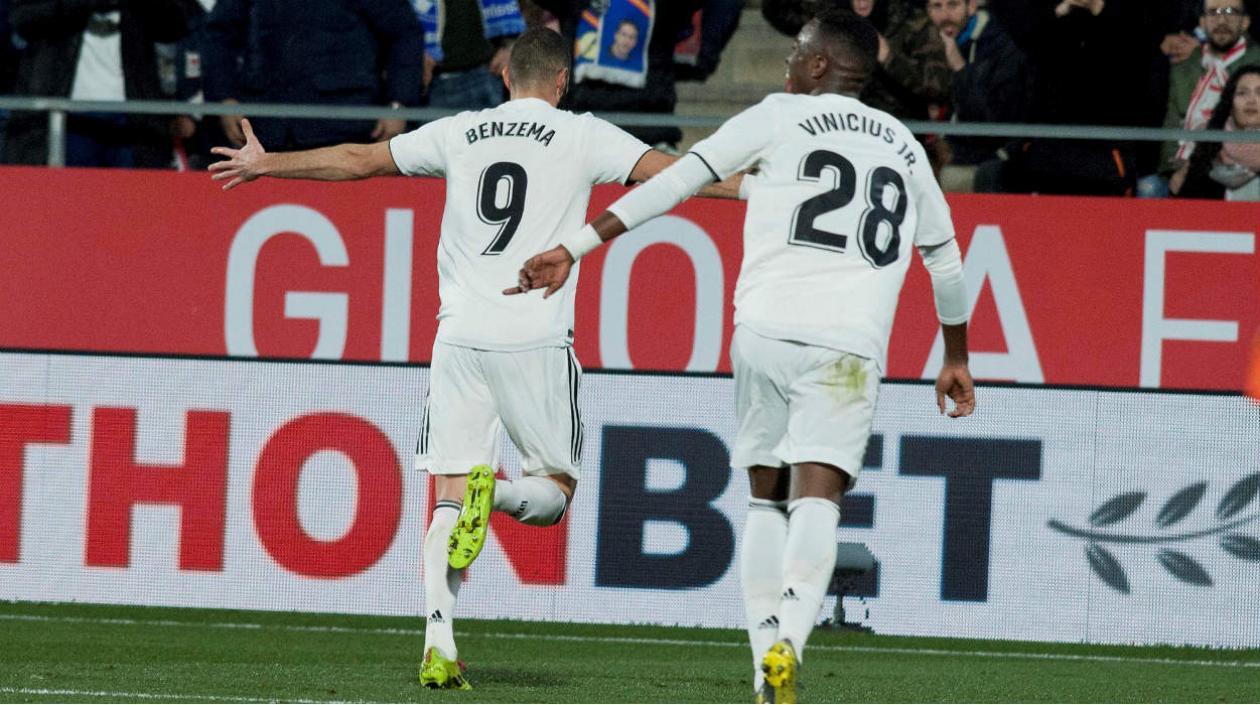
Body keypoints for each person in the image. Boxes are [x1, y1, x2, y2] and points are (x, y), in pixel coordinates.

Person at [206, 27, 727, 689]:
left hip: (458, 337)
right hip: (534, 334)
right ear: (562, 82)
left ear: (505, 74)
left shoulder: (462, 130)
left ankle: (437, 640)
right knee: (554, 493)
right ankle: (501, 493)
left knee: (448, 495)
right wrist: (755, 190)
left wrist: (267, 165)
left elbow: (358, 159)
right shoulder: (584, 134)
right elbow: (674, 176)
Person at [510, 9, 975, 702]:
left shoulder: (780, 114)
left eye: (798, 50)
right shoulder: (904, 144)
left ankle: (764, 669)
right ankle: (790, 639)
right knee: (821, 495)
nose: (790, 60)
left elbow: (675, 183)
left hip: (765, 331)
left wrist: (574, 247)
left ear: (820, 67)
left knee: (764, 496)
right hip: (850, 344)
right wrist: (955, 354)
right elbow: (944, 258)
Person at [202, 0, 424, 151]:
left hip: (345, 127)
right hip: (266, 127)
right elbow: (218, 35)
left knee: (350, 214)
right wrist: (224, 98)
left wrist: (399, 103)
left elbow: (403, 34)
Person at [3, 0, 202, 167]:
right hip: (64, 113)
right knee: (68, 202)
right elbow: (22, 19)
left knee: (130, 204)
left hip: (132, 118)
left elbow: (176, 24)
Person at [926, 0, 1031, 192]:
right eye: (936, 6)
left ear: (971, 6)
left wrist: (960, 70)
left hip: (982, 156)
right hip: (929, 150)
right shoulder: (921, 43)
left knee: (952, 178)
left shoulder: (1000, 49)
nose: (945, 16)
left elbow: (992, 125)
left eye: (953, 5)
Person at [1162, 0, 1260, 195]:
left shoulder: (1256, 63)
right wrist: (1173, 169)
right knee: (1151, 189)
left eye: (1230, 12)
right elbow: (1172, 123)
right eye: (1213, 12)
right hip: (1187, 165)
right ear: (1202, 22)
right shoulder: (1184, 65)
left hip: (1244, 165)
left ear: (1245, 22)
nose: (1222, 19)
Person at [1177, 64, 1260, 198]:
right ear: (1230, 103)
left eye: (1259, 92)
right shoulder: (1210, 145)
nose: (1251, 101)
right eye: (1242, 93)